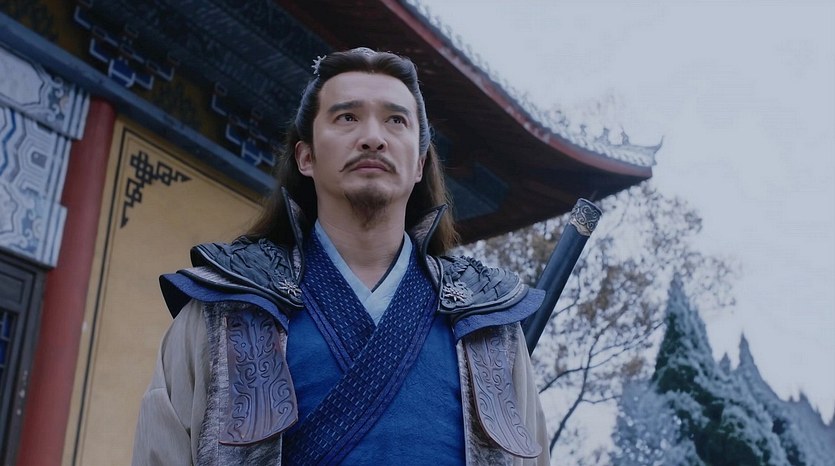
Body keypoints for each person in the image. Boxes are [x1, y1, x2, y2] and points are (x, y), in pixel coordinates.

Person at [132, 47, 550, 465]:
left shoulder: (486, 324)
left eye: (396, 120)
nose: (373, 137)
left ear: (419, 164)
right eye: (347, 117)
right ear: (306, 156)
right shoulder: (226, 304)